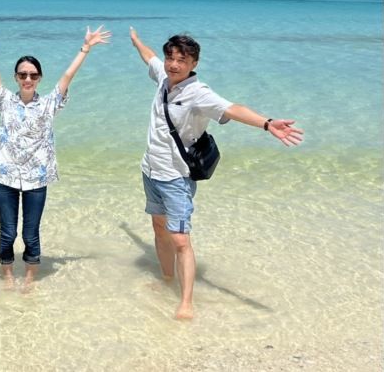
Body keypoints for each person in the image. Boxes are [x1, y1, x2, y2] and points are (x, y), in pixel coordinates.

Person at [129, 27, 304, 319]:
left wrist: (266, 123)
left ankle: (186, 302)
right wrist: (136, 41)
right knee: (158, 228)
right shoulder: (163, 78)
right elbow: (149, 59)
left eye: (181, 60)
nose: (173, 64)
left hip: (176, 177)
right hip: (150, 170)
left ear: (193, 63)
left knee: (181, 240)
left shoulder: (198, 93)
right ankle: (167, 279)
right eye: (170, 57)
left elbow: (233, 108)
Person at [0, 12, 111, 291]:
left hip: (36, 180)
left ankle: (29, 279)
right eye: (22, 74)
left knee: (30, 233)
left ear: (39, 78)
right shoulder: (4, 100)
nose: (27, 78)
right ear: (16, 77)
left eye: (32, 75)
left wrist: (85, 48)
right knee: (7, 233)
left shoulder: (49, 104)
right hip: (5, 177)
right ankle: (7, 277)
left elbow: (68, 75)